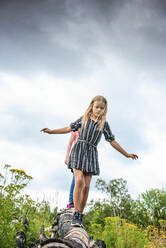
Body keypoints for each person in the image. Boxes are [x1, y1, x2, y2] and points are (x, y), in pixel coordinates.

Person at [41, 95, 138, 228]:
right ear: (92, 106)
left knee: (86, 186)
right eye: (97, 107)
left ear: (105, 110)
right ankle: (75, 212)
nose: (99, 110)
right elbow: (69, 128)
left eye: (102, 108)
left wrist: (126, 154)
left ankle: (80, 214)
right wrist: (52, 131)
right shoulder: (84, 118)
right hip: (79, 150)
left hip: (91, 153)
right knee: (79, 180)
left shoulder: (104, 124)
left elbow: (112, 141)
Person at [65, 130, 79, 209]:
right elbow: (70, 144)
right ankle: (71, 201)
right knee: (76, 178)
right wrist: (67, 157)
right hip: (76, 156)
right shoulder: (76, 129)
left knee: (83, 182)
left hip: (86, 157)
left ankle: (78, 202)